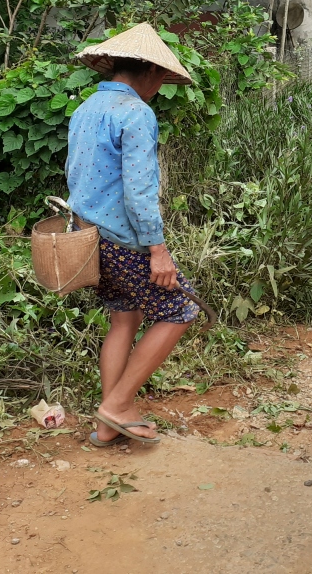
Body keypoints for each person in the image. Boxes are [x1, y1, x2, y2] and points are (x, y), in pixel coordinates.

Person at [67, 23, 199, 447]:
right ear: (145, 68)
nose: (161, 86)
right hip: (123, 242)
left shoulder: (87, 107)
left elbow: (74, 173)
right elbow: (139, 193)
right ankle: (117, 404)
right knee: (180, 311)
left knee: (124, 316)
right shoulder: (136, 114)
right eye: (161, 76)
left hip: (86, 238)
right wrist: (158, 251)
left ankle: (108, 428)